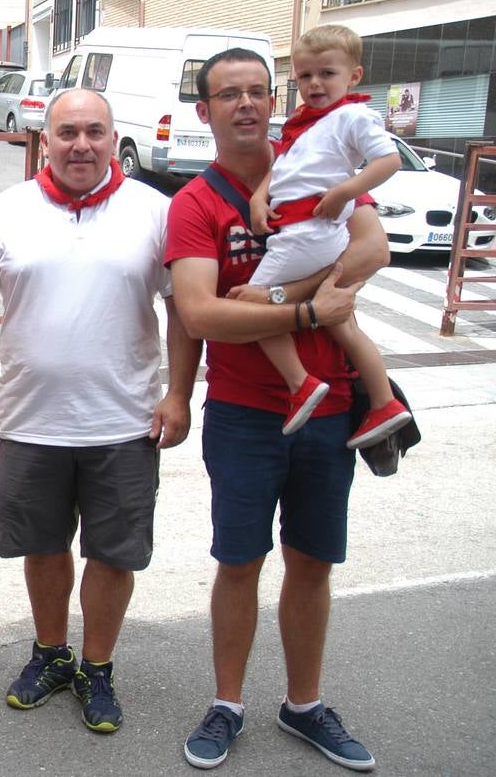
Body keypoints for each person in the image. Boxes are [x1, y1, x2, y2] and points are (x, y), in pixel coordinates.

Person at [0, 88, 200, 735]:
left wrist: (177, 393)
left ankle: (97, 665)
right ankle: (50, 652)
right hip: (32, 420)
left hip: (126, 422)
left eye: (93, 131)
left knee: (114, 554)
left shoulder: (154, 210)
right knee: (42, 545)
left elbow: (183, 309)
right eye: (67, 133)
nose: (80, 144)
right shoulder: (6, 211)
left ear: (114, 138)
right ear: (44, 139)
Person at [167, 48, 389, 772]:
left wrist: (291, 297)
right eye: (227, 94)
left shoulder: (318, 158)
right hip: (242, 412)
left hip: (328, 408)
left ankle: (302, 705)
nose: (247, 104)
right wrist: (302, 312)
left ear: (275, 99)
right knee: (239, 561)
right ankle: (226, 703)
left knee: (312, 562)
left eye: (258, 91)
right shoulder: (195, 204)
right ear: (204, 112)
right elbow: (199, 315)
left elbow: (373, 246)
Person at [244, 26, 408, 449]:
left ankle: (300, 383)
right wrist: (260, 199)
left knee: (247, 306)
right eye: (305, 76)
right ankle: (384, 402)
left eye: (327, 74)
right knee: (342, 325)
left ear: (354, 76)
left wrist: (346, 191)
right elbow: (281, 170)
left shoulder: (352, 116)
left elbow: (389, 160)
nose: (315, 84)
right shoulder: (305, 125)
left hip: (308, 231)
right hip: (304, 230)